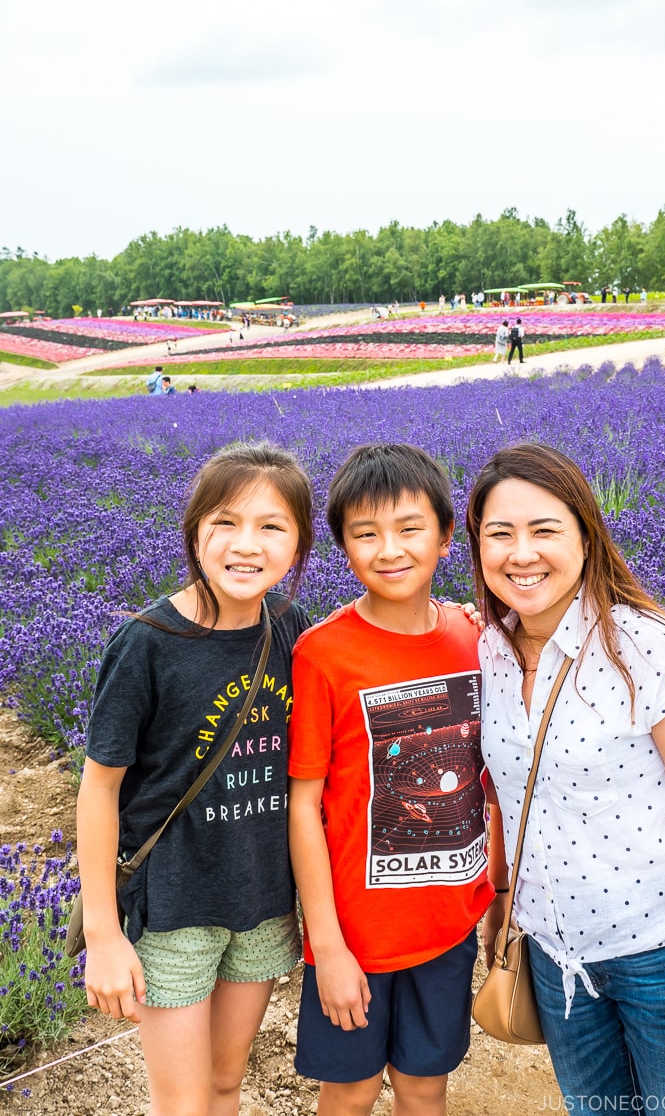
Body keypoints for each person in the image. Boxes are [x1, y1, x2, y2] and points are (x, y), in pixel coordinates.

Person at [466, 443, 665, 1112]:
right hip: (553, 954)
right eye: (500, 533)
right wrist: (504, 897)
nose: (521, 553)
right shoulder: (491, 650)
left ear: (586, 536)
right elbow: (509, 793)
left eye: (544, 531)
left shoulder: (649, 647)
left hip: (664, 951)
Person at [75, 440, 314, 1116]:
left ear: (297, 545)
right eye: (226, 523)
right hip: (175, 910)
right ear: (195, 531)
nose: (247, 545)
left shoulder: (290, 626)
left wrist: (455, 618)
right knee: (180, 1104)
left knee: (224, 1086)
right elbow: (99, 790)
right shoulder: (148, 643)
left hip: (263, 901)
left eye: (272, 527)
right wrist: (103, 933)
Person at [288, 443, 493, 1116]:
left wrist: (498, 897)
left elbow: (491, 778)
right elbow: (305, 805)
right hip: (356, 937)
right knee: (348, 1092)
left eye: (410, 529)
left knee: (424, 1087)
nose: (390, 549)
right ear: (343, 548)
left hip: (447, 924)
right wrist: (327, 946)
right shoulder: (323, 654)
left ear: (443, 537)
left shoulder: (476, 638)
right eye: (365, 534)